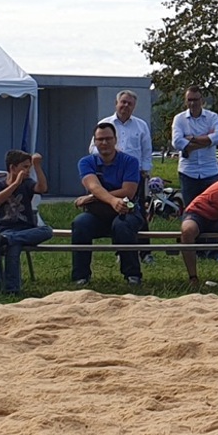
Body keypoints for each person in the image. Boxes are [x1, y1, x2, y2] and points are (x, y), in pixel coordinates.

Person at [72, 123, 145, 287]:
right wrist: (112, 200)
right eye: (100, 139)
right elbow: (94, 186)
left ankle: (132, 274)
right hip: (97, 214)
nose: (104, 143)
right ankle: (80, 276)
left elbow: (128, 191)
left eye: (108, 139)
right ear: (94, 142)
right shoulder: (86, 162)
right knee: (80, 224)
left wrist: (91, 198)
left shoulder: (130, 161)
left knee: (122, 226)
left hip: (127, 211)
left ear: (115, 140)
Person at [91, 89, 153, 262]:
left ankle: (145, 251)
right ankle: (121, 251)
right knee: (114, 212)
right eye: (123, 102)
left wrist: (145, 170)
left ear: (134, 106)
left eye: (129, 103)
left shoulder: (141, 125)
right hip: (111, 173)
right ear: (116, 104)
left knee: (138, 212)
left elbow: (147, 150)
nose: (126, 105)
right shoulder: (105, 123)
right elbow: (93, 148)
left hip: (134, 176)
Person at [0, 150, 53, 294]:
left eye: (29, 167)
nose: (27, 171)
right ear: (13, 168)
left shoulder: (27, 183)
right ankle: (12, 290)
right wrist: (15, 183)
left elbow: (42, 188)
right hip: (7, 229)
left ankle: (7, 240)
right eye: (24, 167)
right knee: (14, 247)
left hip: (26, 230)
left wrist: (38, 167)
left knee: (47, 230)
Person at [172, 86, 218, 260]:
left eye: (196, 99)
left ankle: (213, 251)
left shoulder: (212, 117)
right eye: (190, 100)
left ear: (202, 100)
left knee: (214, 211)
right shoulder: (179, 119)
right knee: (191, 212)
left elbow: (217, 138)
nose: (193, 103)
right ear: (185, 101)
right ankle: (193, 250)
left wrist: (191, 139)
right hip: (189, 172)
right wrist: (205, 140)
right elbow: (177, 142)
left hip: (210, 171)